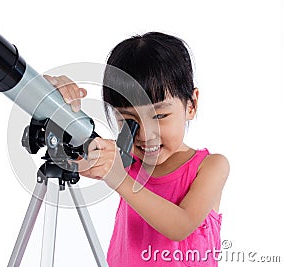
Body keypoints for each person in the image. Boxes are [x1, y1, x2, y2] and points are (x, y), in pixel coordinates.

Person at [44, 32, 229, 266]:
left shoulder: (211, 167)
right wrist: (52, 96)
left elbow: (180, 226)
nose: (145, 134)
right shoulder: (125, 158)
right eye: (128, 120)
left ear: (191, 105)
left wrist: (119, 179)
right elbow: (74, 144)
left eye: (159, 115)